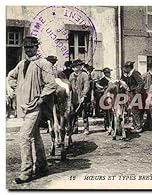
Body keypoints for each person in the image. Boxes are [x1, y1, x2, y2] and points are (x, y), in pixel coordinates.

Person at [7, 36, 57, 184]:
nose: (28, 49)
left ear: (37, 47)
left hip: (35, 107)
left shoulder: (44, 64)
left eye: (31, 47)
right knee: (35, 136)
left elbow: (51, 84)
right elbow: (10, 77)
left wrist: (41, 99)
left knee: (24, 136)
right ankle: (42, 166)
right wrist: (19, 89)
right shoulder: (22, 64)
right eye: (26, 47)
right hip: (24, 106)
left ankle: (26, 172)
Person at [121, 61, 145, 133]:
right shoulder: (128, 74)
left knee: (135, 110)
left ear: (129, 68)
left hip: (136, 94)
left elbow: (141, 82)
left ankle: (138, 126)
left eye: (125, 68)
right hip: (131, 93)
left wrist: (137, 91)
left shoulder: (135, 73)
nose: (124, 69)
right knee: (133, 109)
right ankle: (135, 125)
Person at [69, 59, 91, 135]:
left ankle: (86, 129)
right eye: (75, 67)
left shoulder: (84, 75)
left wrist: (84, 95)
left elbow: (86, 85)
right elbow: (70, 86)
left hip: (82, 97)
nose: (77, 68)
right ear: (73, 68)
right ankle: (75, 128)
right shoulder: (71, 75)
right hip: (74, 97)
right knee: (74, 113)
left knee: (84, 113)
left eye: (79, 66)